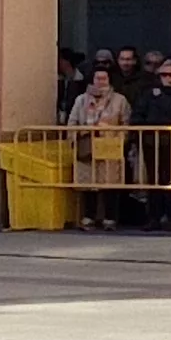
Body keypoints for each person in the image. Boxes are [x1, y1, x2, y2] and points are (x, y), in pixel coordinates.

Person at [67, 68, 130, 229]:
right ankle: (89, 217)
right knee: (88, 183)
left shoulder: (120, 100)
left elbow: (126, 123)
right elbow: (72, 122)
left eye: (104, 78)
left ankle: (110, 218)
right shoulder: (81, 99)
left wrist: (118, 137)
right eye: (97, 78)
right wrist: (80, 133)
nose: (100, 82)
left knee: (111, 183)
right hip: (86, 145)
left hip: (109, 146)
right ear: (92, 80)